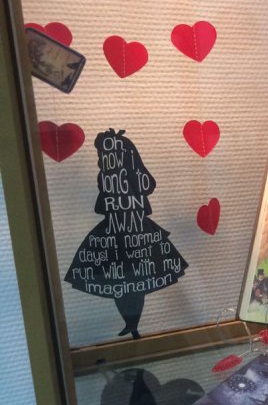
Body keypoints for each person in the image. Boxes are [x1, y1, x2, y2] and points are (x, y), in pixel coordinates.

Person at [64, 129, 187, 340]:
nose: (101, 160)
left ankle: (133, 324)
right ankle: (130, 324)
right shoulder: (106, 176)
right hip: (114, 234)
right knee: (119, 283)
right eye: (101, 156)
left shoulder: (134, 176)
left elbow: (145, 187)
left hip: (137, 233)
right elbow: (101, 205)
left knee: (136, 282)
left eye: (103, 155)